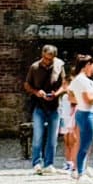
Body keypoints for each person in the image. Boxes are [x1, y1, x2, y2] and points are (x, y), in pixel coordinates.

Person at [23, 43, 65, 175]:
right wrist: (37, 92)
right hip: (39, 106)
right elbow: (26, 85)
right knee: (38, 136)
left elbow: (64, 84)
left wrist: (56, 94)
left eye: (50, 59)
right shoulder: (34, 67)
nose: (48, 62)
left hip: (55, 106)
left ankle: (49, 163)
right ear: (42, 55)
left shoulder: (59, 66)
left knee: (52, 138)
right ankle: (36, 163)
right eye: (46, 58)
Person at [69, 54, 93, 184]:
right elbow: (89, 99)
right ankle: (80, 173)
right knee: (84, 145)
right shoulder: (81, 80)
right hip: (86, 113)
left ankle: (83, 170)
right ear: (87, 65)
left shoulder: (86, 80)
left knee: (88, 142)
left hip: (89, 112)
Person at [58, 65, 79, 177]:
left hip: (71, 119)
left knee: (72, 140)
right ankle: (68, 161)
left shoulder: (71, 96)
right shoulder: (64, 97)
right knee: (66, 142)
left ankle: (73, 162)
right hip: (64, 119)